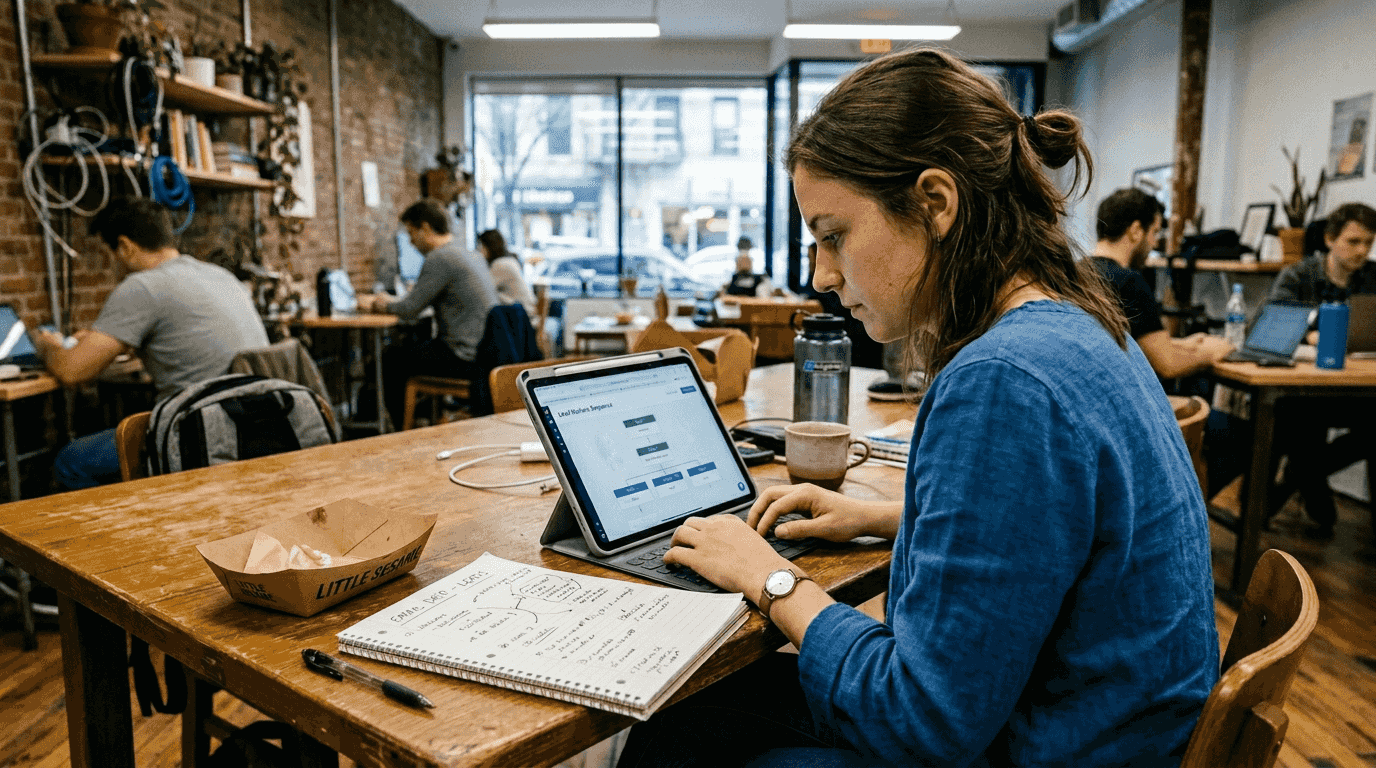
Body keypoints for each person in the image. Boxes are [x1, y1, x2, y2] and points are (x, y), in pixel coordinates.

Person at [617, 48, 1217, 767]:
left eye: (833, 235)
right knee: (697, 718)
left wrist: (769, 578)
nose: (822, 274)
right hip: (1113, 734)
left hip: (1042, 748)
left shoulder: (1005, 379)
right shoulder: (1083, 324)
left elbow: (921, 723)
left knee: (675, 741)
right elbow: (1058, 530)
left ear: (935, 203)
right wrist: (889, 518)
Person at [36, 196, 269, 489]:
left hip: (200, 435)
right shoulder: (220, 275)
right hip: (259, 424)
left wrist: (48, 344)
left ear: (125, 246)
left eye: (112, 255)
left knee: (71, 462)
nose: (114, 265)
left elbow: (72, 371)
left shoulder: (142, 286)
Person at [1262, 202, 1376, 538]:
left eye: (1368, 243)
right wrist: (1312, 332)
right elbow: (1275, 320)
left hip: (1355, 387)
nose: (1362, 250)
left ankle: (1299, 475)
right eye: (1353, 242)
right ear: (1329, 239)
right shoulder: (1299, 275)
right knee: (1297, 420)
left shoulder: (1372, 278)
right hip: (1302, 390)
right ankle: (1301, 478)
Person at [360, 199, 499, 426]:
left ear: (425, 228)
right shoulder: (467, 252)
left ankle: (400, 430)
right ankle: (422, 417)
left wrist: (375, 304)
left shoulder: (440, 257)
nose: (412, 242)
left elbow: (408, 310)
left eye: (412, 234)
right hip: (484, 353)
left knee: (389, 360)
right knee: (413, 348)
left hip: (463, 357)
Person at [1091, 187, 1234, 379]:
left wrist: (1181, 344)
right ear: (1135, 231)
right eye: (1155, 232)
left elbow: (1126, 343)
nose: (1154, 243)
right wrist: (1210, 353)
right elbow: (1168, 365)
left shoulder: (1075, 272)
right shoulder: (1128, 282)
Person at [477, 229, 536, 316]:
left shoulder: (500, 265)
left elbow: (484, 290)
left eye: (481, 246)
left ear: (488, 247)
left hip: (522, 321)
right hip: (524, 316)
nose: (479, 251)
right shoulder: (509, 261)